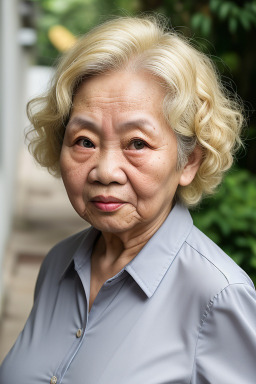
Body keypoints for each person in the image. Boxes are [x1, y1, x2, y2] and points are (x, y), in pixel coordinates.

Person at [0, 15, 255, 384]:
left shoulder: (218, 298)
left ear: (189, 161)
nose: (105, 171)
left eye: (137, 143)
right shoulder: (58, 265)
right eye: (84, 141)